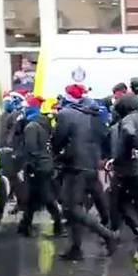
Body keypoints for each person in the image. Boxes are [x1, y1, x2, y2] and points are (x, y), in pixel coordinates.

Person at [53, 84, 117, 260]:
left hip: (75, 166)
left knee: (72, 208)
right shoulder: (95, 114)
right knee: (78, 206)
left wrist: (57, 153)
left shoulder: (66, 114)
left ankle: (108, 235)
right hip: (90, 164)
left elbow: (58, 139)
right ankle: (75, 248)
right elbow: (106, 135)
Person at [108, 93, 138, 241]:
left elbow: (129, 133)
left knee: (118, 200)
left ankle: (135, 229)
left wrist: (119, 158)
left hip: (130, 168)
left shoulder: (127, 120)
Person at [18, 96, 64, 238]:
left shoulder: (31, 127)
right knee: (34, 198)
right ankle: (25, 225)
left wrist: (30, 168)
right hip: (46, 164)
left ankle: (58, 225)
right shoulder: (45, 125)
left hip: (38, 167)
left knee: (46, 197)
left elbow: (31, 149)